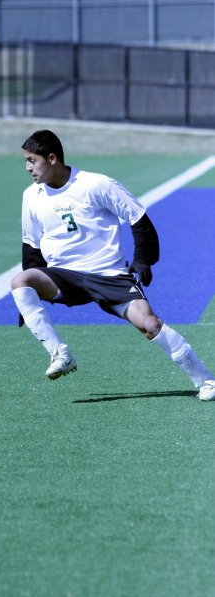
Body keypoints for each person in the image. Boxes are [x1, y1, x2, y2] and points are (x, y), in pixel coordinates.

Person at [11, 130, 215, 401]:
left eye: (31, 161)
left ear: (51, 159)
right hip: (63, 276)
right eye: (25, 161)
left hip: (108, 274)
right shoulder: (31, 196)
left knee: (150, 325)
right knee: (20, 280)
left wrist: (143, 259)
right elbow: (32, 245)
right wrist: (29, 297)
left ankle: (206, 380)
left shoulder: (96, 184)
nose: (27, 167)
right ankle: (60, 353)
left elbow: (138, 218)